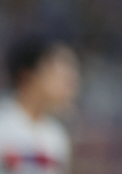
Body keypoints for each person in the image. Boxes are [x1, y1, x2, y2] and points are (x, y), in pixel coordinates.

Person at [0, 36, 79, 174]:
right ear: (27, 76)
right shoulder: (4, 125)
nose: (69, 85)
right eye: (58, 75)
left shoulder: (56, 136)